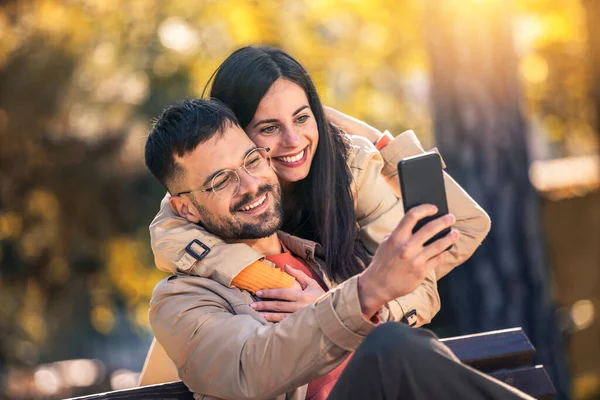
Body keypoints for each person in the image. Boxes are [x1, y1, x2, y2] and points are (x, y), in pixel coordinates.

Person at [143, 98, 532, 400]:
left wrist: (374, 139)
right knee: (390, 346)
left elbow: (463, 227)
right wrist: (364, 294)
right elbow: (250, 366)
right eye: (221, 180)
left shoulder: (330, 254)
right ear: (185, 208)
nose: (250, 185)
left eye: (251, 160)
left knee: (400, 347)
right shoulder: (180, 301)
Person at [149, 46, 491, 327]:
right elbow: (168, 234)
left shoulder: (349, 167)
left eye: (302, 117)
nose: (294, 141)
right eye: (269, 128)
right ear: (233, 132)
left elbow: (461, 230)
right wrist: (285, 288)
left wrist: (376, 140)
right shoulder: (210, 198)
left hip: (362, 357)